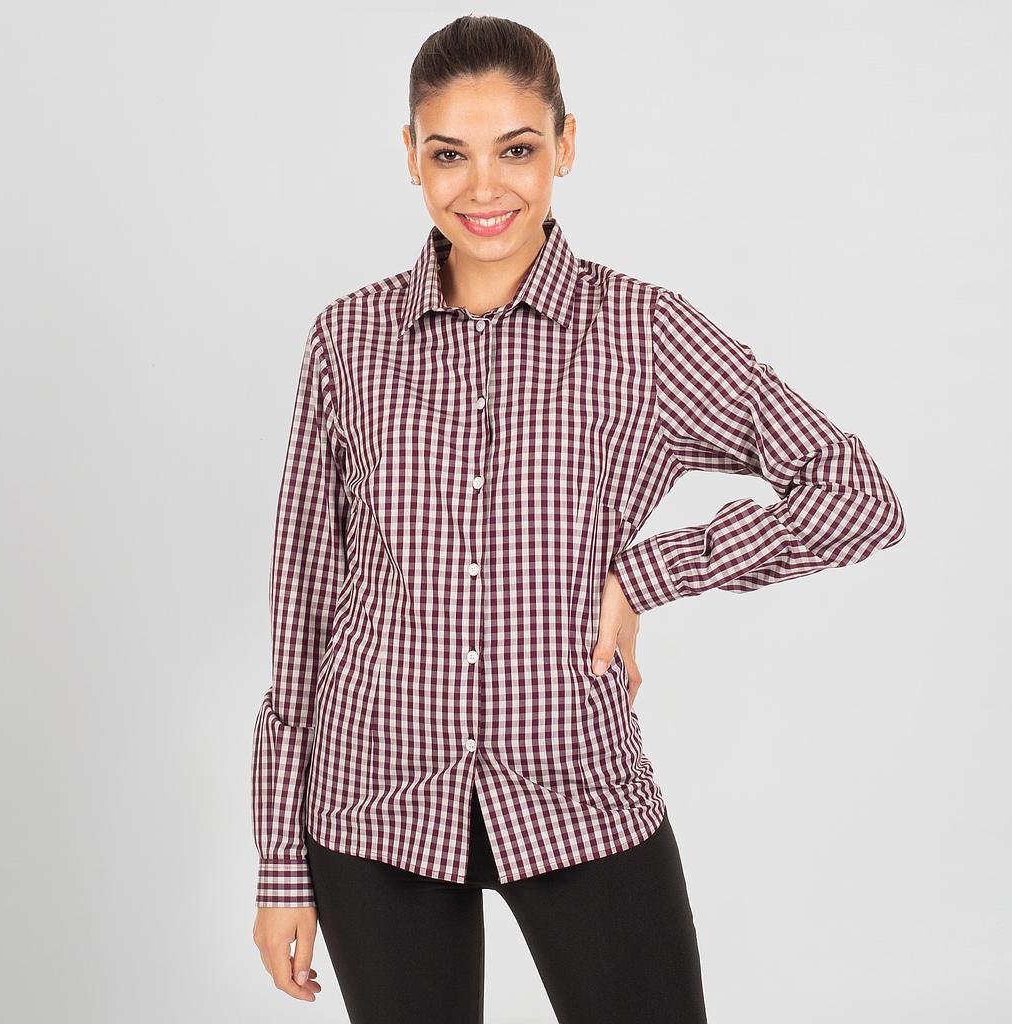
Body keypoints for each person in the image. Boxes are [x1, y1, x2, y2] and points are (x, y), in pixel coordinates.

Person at [250, 15, 906, 1023]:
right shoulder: (349, 337)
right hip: (369, 799)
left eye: (515, 149)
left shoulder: (644, 332)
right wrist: (278, 866)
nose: (483, 187)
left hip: (578, 792)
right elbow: (303, 594)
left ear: (564, 144)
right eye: (449, 154)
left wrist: (649, 573)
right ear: (411, 156)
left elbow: (854, 493)